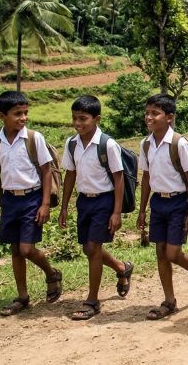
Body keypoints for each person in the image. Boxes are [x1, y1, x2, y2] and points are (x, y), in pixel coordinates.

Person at [0, 91, 63, 316]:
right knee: (15, 250)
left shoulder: (34, 139)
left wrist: (45, 204)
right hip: (9, 200)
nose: (23, 118)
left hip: (32, 198)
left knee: (26, 248)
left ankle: (51, 272)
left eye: (25, 113)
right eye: (17, 114)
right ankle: (22, 296)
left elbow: (46, 170)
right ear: (2, 116)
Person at [58, 95, 133, 320]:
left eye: (83, 118)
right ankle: (121, 268)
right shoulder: (71, 144)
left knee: (93, 249)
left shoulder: (107, 144)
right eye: (75, 118)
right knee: (89, 249)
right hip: (84, 201)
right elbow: (70, 175)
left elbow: (119, 178)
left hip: (104, 201)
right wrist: (64, 206)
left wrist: (116, 212)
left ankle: (92, 300)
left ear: (96, 119)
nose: (78, 123)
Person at [136, 94, 188, 321]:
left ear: (169, 117)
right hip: (158, 203)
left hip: (179, 203)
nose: (149, 117)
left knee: (172, 252)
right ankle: (169, 301)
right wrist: (142, 209)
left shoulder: (179, 143)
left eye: (154, 113)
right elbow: (146, 178)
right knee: (160, 253)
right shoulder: (146, 144)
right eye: (147, 113)